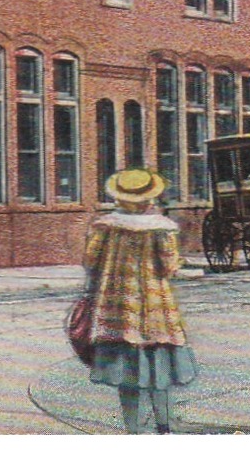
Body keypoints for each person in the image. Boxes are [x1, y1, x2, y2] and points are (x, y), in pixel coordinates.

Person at [82, 167, 198, 433]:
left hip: (120, 312)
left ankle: (132, 431)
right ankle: (164, 427)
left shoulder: (105, 227)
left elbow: (90, 262)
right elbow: (169, 267)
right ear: (149, 197)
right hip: (156, 312)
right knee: (160, 374)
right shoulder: (160, 228)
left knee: (127, 376)